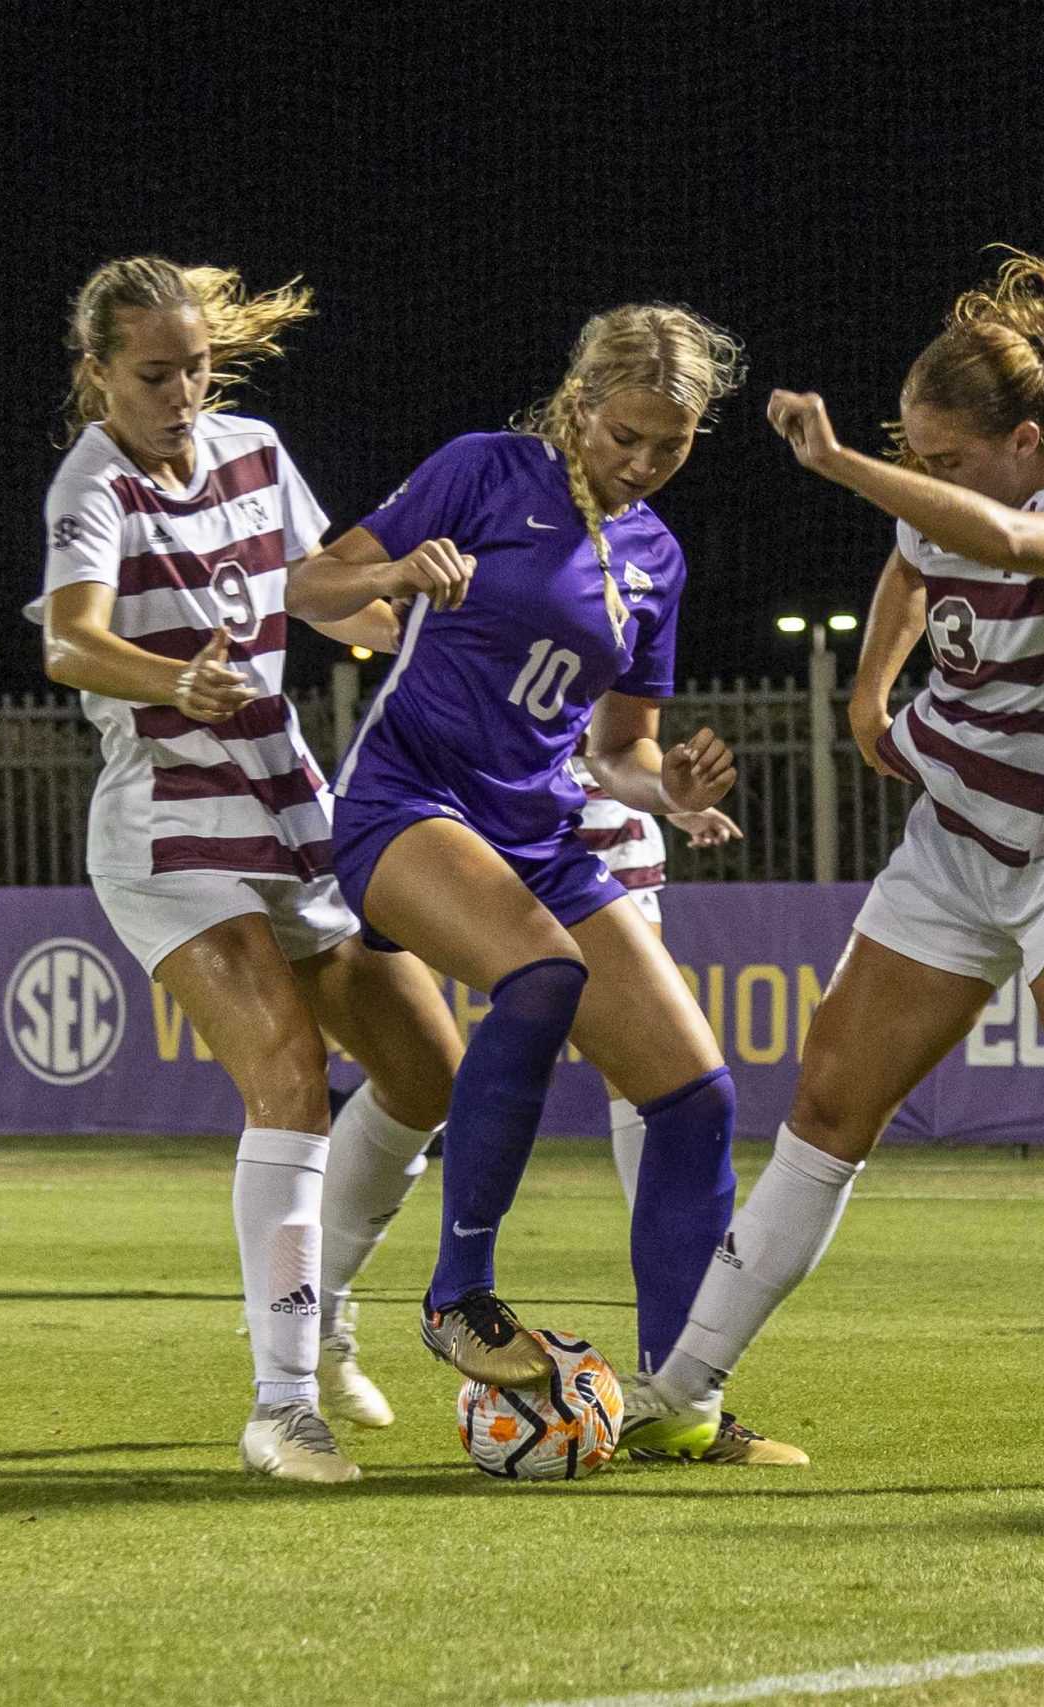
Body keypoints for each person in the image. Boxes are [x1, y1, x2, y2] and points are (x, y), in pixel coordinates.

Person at [622, 251, 1044, 1487]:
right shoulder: (936, 498)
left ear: (1028, 441)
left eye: (946, 460)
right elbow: (917, 555)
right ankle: (678, 1394)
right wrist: (871, 689)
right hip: (954, 844)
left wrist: (843, 468)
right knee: (823, 1112)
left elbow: (1005, 537)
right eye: (910, 458)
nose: (926, 482)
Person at [288, 303, 801, 1464]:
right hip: (406, 806)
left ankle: (681, 1407)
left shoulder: (658, 556)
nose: (640, 462)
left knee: (695, 1094)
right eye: (624, 435)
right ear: (579, 407)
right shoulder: (485, 470)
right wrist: (396, 570)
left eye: (667, 446)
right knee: (538, 976)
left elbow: (620, 747)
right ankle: (455, 1296)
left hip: (540, 833)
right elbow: (305, 590)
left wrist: (668, 787)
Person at [29, 253, 463, 1484]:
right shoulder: (93, 481)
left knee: (429, 1072)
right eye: (154, 374)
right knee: (285, 1077)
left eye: (196, 370)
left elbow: (325, 599)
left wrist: (413, 614)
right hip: (169, 828)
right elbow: (70, 640)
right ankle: (281, 1406)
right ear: (99, 375)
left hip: (288, 804)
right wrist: (176, 678)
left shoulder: (257, 451)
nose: (180, 394)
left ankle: (314, 1309)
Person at [567, 751, 742, 1201]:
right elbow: (610, 745)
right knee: (638, 1057)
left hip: (612, 840)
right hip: (556, 836)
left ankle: (657, 1232)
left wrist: (675, 803)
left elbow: (618, 746)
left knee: (638, 1060)